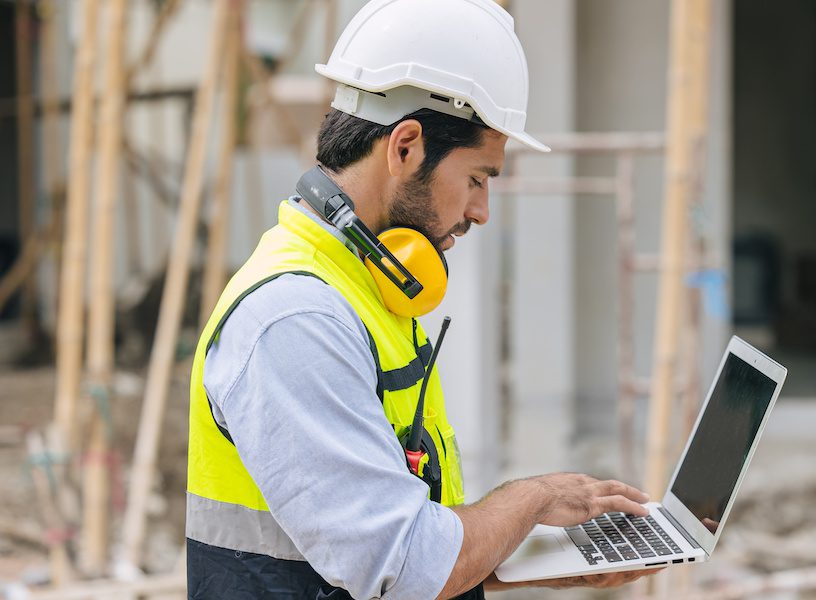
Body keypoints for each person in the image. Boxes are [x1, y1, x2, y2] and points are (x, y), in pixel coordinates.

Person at [186, 0, 659, 597]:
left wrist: (537, 557)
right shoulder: (296, 320)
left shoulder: (365, 290)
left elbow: (403, 545)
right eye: (478, 179)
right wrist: (531, 499)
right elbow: (401, 566)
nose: (481, 211)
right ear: (405, 146)